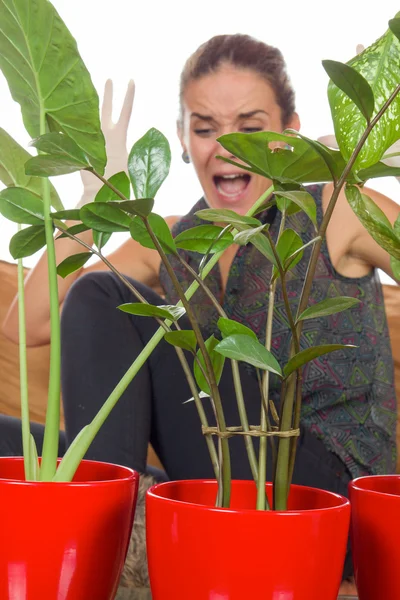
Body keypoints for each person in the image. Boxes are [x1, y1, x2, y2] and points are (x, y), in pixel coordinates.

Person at [2, 34, 399, 590]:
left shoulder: (334, 209)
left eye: (251, 127)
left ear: (289, 135)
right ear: (186, 142)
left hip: (330, 505)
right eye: (206, 127)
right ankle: (117, 505)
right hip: (229, 489)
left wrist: (363, 162)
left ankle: (113, 526)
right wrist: (90, 201)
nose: (227, 147)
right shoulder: (172, 239)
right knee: (12, 438)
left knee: (100, 294)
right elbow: (27, 326)